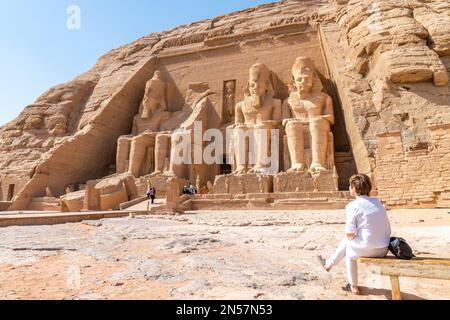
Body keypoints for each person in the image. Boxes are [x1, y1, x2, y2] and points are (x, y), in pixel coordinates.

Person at [317, 174, 391, 295]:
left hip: (368, 249)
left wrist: (355, 236)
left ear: (354, 189)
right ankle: (329, 264)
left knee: (349, 249)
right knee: (349, 241)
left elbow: (350, 234)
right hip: (383, 248)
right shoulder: (378, 203)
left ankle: (353, 285)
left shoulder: (352, 206)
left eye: (350, 186)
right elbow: (388, 230)